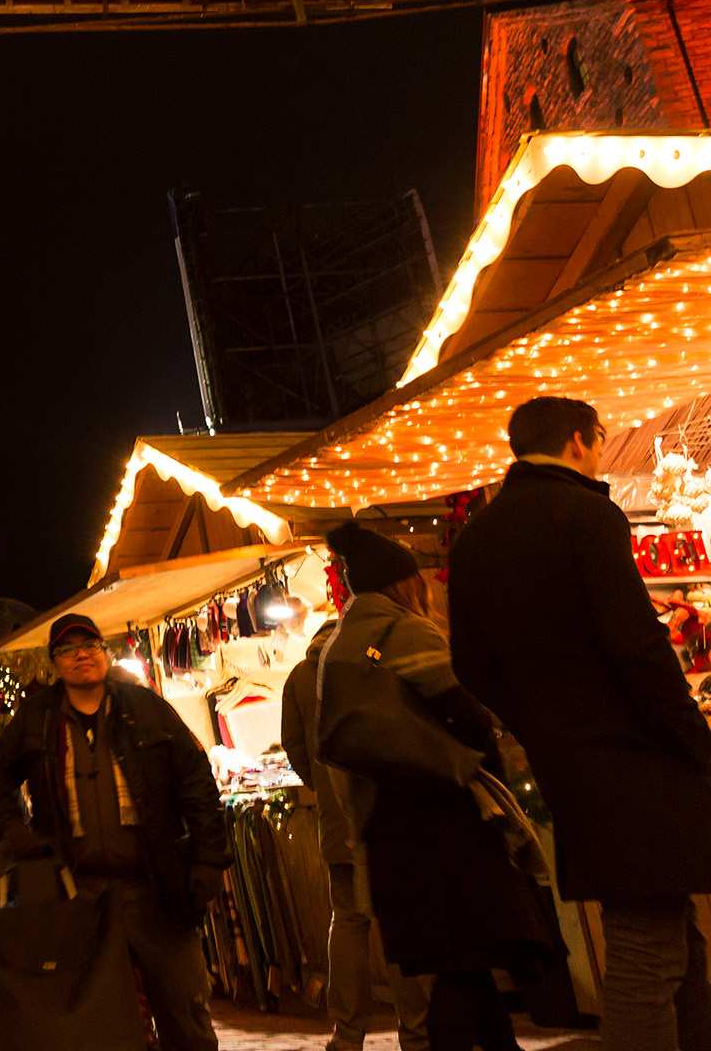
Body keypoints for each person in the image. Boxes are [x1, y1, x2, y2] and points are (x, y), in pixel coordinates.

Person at [449, 395, 711, 1051]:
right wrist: (693, 739)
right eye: (598, 439)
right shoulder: (587, 514)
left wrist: (543, 728)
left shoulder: (477, 537)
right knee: (646, 950)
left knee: (671, 937)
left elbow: (470, 665)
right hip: (638, 764)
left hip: (572, 768)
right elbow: (636, 648)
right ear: (577, 440)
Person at [320, 520, 557, 1051]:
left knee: (460, 965)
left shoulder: (343, 644)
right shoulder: (403, 630)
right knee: (464, 961)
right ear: (403, 583)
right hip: (444, 818)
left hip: (390, 821)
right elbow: (464, 710)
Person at [0, 612, 230, 1051]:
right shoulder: (37, 720)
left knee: (185, 1015)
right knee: (101, 1023)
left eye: (89, 646)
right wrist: (16, 831)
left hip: (156, 889)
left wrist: (208, 858)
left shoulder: (146, 709)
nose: (81, 657)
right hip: (81, 895)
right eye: (68, 650)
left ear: (105, 654)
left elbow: (196, 782)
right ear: (55, 663)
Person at [281, 614, 431, 1051]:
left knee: (347, 922)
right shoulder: (373, 661)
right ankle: (417, 1034)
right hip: (387, 818)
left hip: (337, 822)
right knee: (398, 921)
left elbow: (294, 745)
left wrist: (325, 792)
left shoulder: (300, 677)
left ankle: (347, 1036)